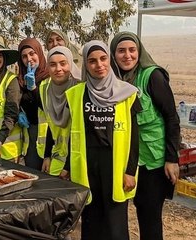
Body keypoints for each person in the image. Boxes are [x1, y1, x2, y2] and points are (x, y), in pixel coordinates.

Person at [63, 40, 141, 240]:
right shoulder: (77, 94)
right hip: (88, 165)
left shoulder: (127, 93)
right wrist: (68, 166)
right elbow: (75, 133)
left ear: (109, 59)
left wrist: (130, 171)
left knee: (115, 224)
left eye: (103, 59)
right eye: (92, 61)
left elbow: (134, 136)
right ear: (86, 66)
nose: (99, 65)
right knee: (91, 220)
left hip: (114, 165)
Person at [110, 31, 180, 240]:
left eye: (132, 50)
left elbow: (171, 117)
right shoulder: (113, 82)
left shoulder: (152, 76)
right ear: (113, 55)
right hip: (128, 162)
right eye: (121, 51)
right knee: (132, 209)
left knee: (150, 217)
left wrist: (171, 158)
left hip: (154, 161)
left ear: (139, 52)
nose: (127, 55)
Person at [40, 46, 81, 176]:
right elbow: (49, 124)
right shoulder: (45, 89)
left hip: (78, 158)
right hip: (57, 156)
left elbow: (80, 131)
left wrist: (68, 167)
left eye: (63, 64)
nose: (58, 69)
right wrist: (47, 156)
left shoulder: (79, 89)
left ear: (70, 64)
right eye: (52, 65)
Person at [16, 38, 49, 170]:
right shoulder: (19, 80)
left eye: (32, 53)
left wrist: (33, 88)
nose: (29, 59)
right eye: (24, 56)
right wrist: (18, 113)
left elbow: (47, 107)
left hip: (48, 139)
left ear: (39, 53)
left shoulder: (49, 77)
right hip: (29, 138)